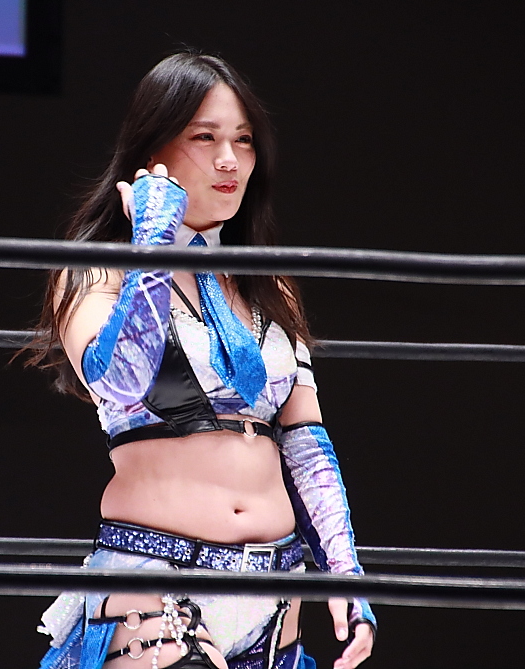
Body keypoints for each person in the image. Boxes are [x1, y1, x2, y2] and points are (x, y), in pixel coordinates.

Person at [28, 52, 375, 669]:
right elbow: (121, 379)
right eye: (205, 137)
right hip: (157, 582)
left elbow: (305, 440)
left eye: (244, 140)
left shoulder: (269, 284)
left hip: (277, 597)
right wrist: (153, 243)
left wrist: (344, 573)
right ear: (153, 146)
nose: (229, 160)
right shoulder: (96, 270)